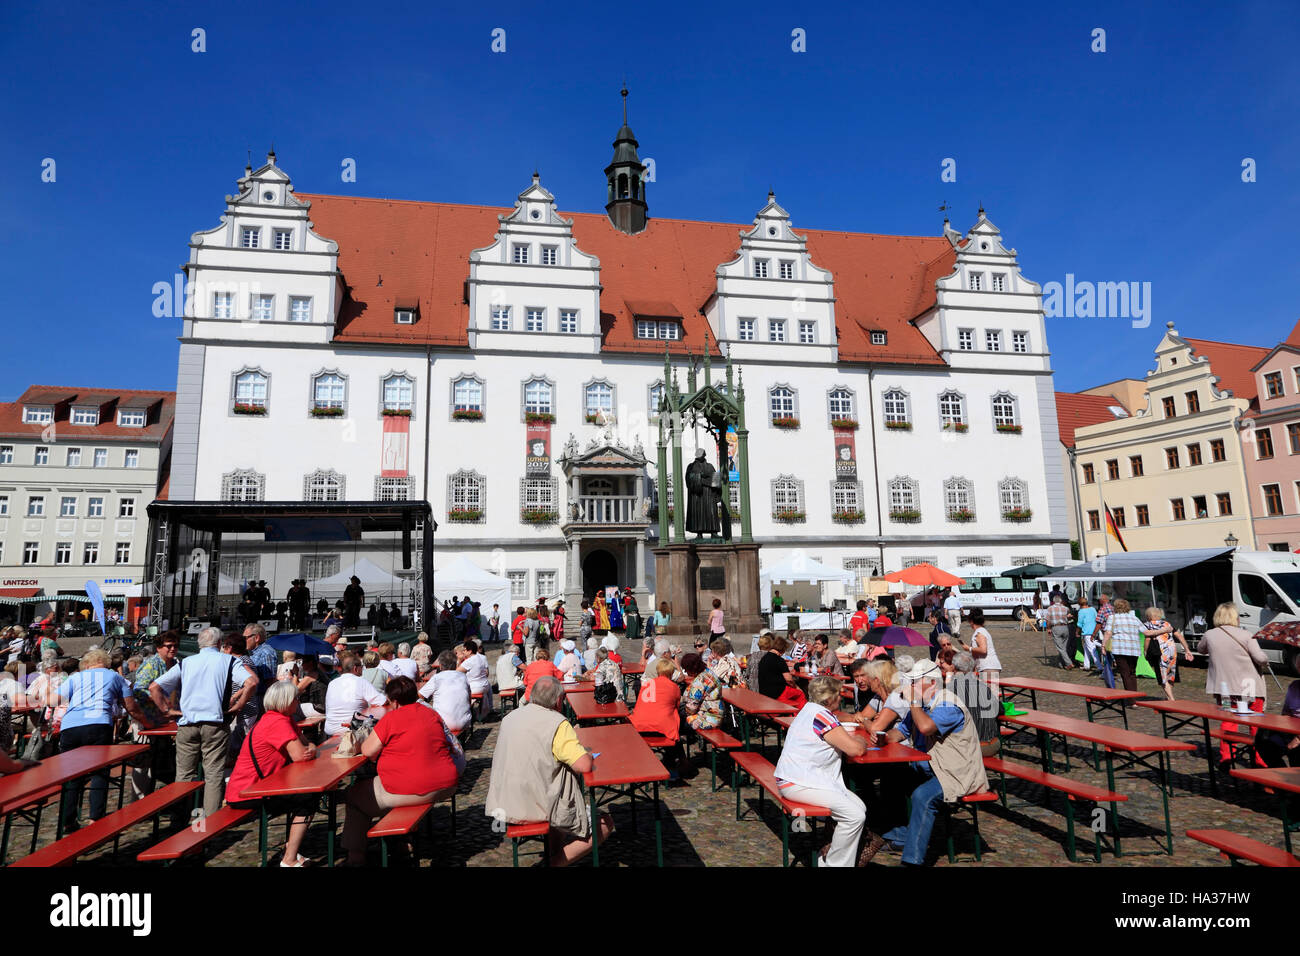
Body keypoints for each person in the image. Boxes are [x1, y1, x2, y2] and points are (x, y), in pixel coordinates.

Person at [485, 675, 614, 866]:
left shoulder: (509, 717)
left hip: (505, 802)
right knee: (605, 822)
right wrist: (583, 751)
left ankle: (553, 852)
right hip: (537, 805)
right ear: (559, 700)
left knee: (552, 790)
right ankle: (553, 863)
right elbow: (584, 765)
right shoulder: (557, 723)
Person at [880, 659, 989, 864]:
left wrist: (912, 701)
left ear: (931, 683)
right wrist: (879, 735)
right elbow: (898, 734)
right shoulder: (921, 706)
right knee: (891, 776)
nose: (910, 687)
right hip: (930, 769)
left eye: (914, 683)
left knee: (923, 797)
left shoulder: (948, 704)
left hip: (955, 773)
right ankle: (901, 836)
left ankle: (912, 861)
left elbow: (926, 728)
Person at [343, 676, 460, 866]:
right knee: (387, 787)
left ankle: (355, 857)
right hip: (446, 783)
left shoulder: (391, 718)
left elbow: (368, 751)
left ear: (394, 702)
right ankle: (399, 843)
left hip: (411, 787)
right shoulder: (431, 713)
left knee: (356, 796)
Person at [150, 627, 258, 818]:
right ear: (219, 643)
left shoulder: (186, 662)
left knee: (183, 775)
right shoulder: (229, 660)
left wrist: (167, 710)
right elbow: (251, 682)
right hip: (216, 723)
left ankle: (180, 820)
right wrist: (240, 704)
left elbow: (155, 687)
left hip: (187, 723)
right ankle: (209, 824)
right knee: (214, 774)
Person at [774, 674, 874, 866]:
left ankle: (831, 855)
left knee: (860, 807)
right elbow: (856, 750)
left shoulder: (810, 710)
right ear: (830, 699)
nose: (841, 697)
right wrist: (861, 740)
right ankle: (833, 863)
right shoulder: (822, 717)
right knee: (854, 815)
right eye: (839, 694)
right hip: (798, 783)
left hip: (797, 777)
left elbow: (836, 722)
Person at [226, 679, 320, 866]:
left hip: (256, 786)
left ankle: (290, 850)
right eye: (295, 698)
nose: (298, 702)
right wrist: (309, 747)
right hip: (248, 792)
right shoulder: (278, 722)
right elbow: (301, 755)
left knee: (307, 797)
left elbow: (308, 745)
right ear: (285, 701)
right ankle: (289, 858)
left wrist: (311, 747)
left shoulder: (280, 719)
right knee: (308, 800)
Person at [56, 649, 146, 832]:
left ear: (86, 664)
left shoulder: (75, 677)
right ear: (105, 662)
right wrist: (147, 722)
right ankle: (95, 818)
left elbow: (54, 699)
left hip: (70, 726)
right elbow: (130, 706)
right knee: (99, 772)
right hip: (98, 724)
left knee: (72, 775)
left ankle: (68, 820)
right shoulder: (114, 677)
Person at [1202, 602, 1269, 762]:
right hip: (1248, 687)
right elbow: (1260, 658)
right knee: (1255, 723)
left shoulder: (1210, 634)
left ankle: (1226, 756)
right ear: (1235, 618)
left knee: (1228, 721)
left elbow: (1201, 649)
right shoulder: (1245, 635)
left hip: (1224, 688)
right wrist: (1266, 660)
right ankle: (1259, 758)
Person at [630, 658, 686, 777]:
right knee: (673, 726)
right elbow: (675, 707)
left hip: (638, 725)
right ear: (671, 673)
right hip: (660, 727)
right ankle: (671, 768)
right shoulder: (673, 687)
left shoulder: (646, 684)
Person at [221, 632, 263, 767]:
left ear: (230, 648)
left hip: (245, 710)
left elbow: (253, 681)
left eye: (224, 646)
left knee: (238, 746)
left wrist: (235, 698)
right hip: (246, 709)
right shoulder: (245, 660)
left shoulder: (241, 661)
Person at [948, 651, 1000, 757]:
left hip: (970, 747)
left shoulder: (950, 689)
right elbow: (998, 710)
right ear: (974, 668)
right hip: (993, 744)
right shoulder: (984, 687)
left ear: (953, 667)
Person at [324, 651, 388, 736]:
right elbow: (383, 701)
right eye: (361, 666)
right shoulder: (360, 681)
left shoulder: (332, 683)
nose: (362, 668)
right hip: (352, 730)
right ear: (355, 668)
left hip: (330, 729)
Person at [1143, 607, 1192, 702]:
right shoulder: (1167, 624)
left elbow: (1147, 639)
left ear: (1148, 616)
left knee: (1162, 675)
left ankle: (1171, 698)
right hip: (1172, 651)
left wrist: (1145, 651)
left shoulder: (1148, 625)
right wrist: (1186, 649)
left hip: (1160, 652)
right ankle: (1169, 695)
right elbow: (1179, 636)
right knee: (1170, 673)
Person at [420, 649, 473, 734]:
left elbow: (420, 696)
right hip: (465, 721)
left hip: (443, 723)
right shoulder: (463, 676)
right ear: (455, 664)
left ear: (440, 666)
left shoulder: (436, 678)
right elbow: (469, 699)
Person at [1102, 598, 1144, 696]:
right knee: (1132, 673)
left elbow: (1108, 633)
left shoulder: (1112, 618)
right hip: (1134, 649)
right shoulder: (1134, 618)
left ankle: (1131, 699)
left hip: (1120, 649)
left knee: (1125, 674)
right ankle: (1134, 696)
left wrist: (1103, 646)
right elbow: (1145, 631)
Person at [1255, 679, 1300, 769]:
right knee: (1262, 737)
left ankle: (1294, 778)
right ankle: (1281, 773)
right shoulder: (1294, 686)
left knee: (1296, 751)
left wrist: (1298, 738)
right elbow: (1286, 712)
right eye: (1298, 664)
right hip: (1291, 729)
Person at [758, 634, 807, 708]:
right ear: (782, 649)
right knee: (800, 694)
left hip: (764, 692)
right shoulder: (779, 660)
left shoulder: (763, 658)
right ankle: (800, 715)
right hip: (778, 692)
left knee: (793, 695)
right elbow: (789, 680)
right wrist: (797, 687)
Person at [680, 652, 723, 731]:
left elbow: (691, 709)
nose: (686, 672)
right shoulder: (708, 672)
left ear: (691, 668)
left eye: (686, 669)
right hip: (717, 713)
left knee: (678, 720)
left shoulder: (699, 682)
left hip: (707, 719)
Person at [961, 609, 1001, 681]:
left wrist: (969, 648)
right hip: (987, 667)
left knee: (988, 691)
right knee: (987, 691)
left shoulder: (979, 633)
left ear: (972, 622)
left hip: (988, 667)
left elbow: (983, 650)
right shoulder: (981, 631)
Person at [457, 639, 492, 712]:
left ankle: (463, 712)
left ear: (469, 651)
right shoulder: (482, 657)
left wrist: (459, 660)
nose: (463, 652)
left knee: (457, 691)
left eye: (464, 650)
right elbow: (487, 673)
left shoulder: (469, 661)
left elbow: (456, 672)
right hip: (485, 685)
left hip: (475, 687)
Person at [1044, 593, 1073, 669]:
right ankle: (1062, 663)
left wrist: (1048, 628)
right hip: (1065, 627)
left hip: (1056, 627)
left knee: (1060, 648)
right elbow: (1069, 617)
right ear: (1060, 601)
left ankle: (1069, 663)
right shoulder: (1066, 608)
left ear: (1053, 601)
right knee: (1063, 647)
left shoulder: (1050, 608)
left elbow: (1047, 620)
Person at [1095, 593, 1116, 688]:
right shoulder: (1112, 608)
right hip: (1115, 632)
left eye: (1099, 599)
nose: (1098, 600)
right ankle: (1107, 670)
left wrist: (1093, 634)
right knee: (1110, 650)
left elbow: (1099, 623)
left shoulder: (1102, 609)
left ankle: (1107, 672)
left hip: (1107, 632)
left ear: (1103, 600)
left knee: (1106, 651)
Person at [1076, 595, 1100, 671]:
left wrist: (1077, 632)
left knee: (1092, 649)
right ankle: (1086, 665)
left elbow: (1079, 623)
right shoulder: (1092, 609)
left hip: (1087, 632)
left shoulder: (1081, 612)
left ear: (1079, 604)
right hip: (1095, 630)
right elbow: (1097, 618)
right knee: (1086, 648)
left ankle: (1100, 667)